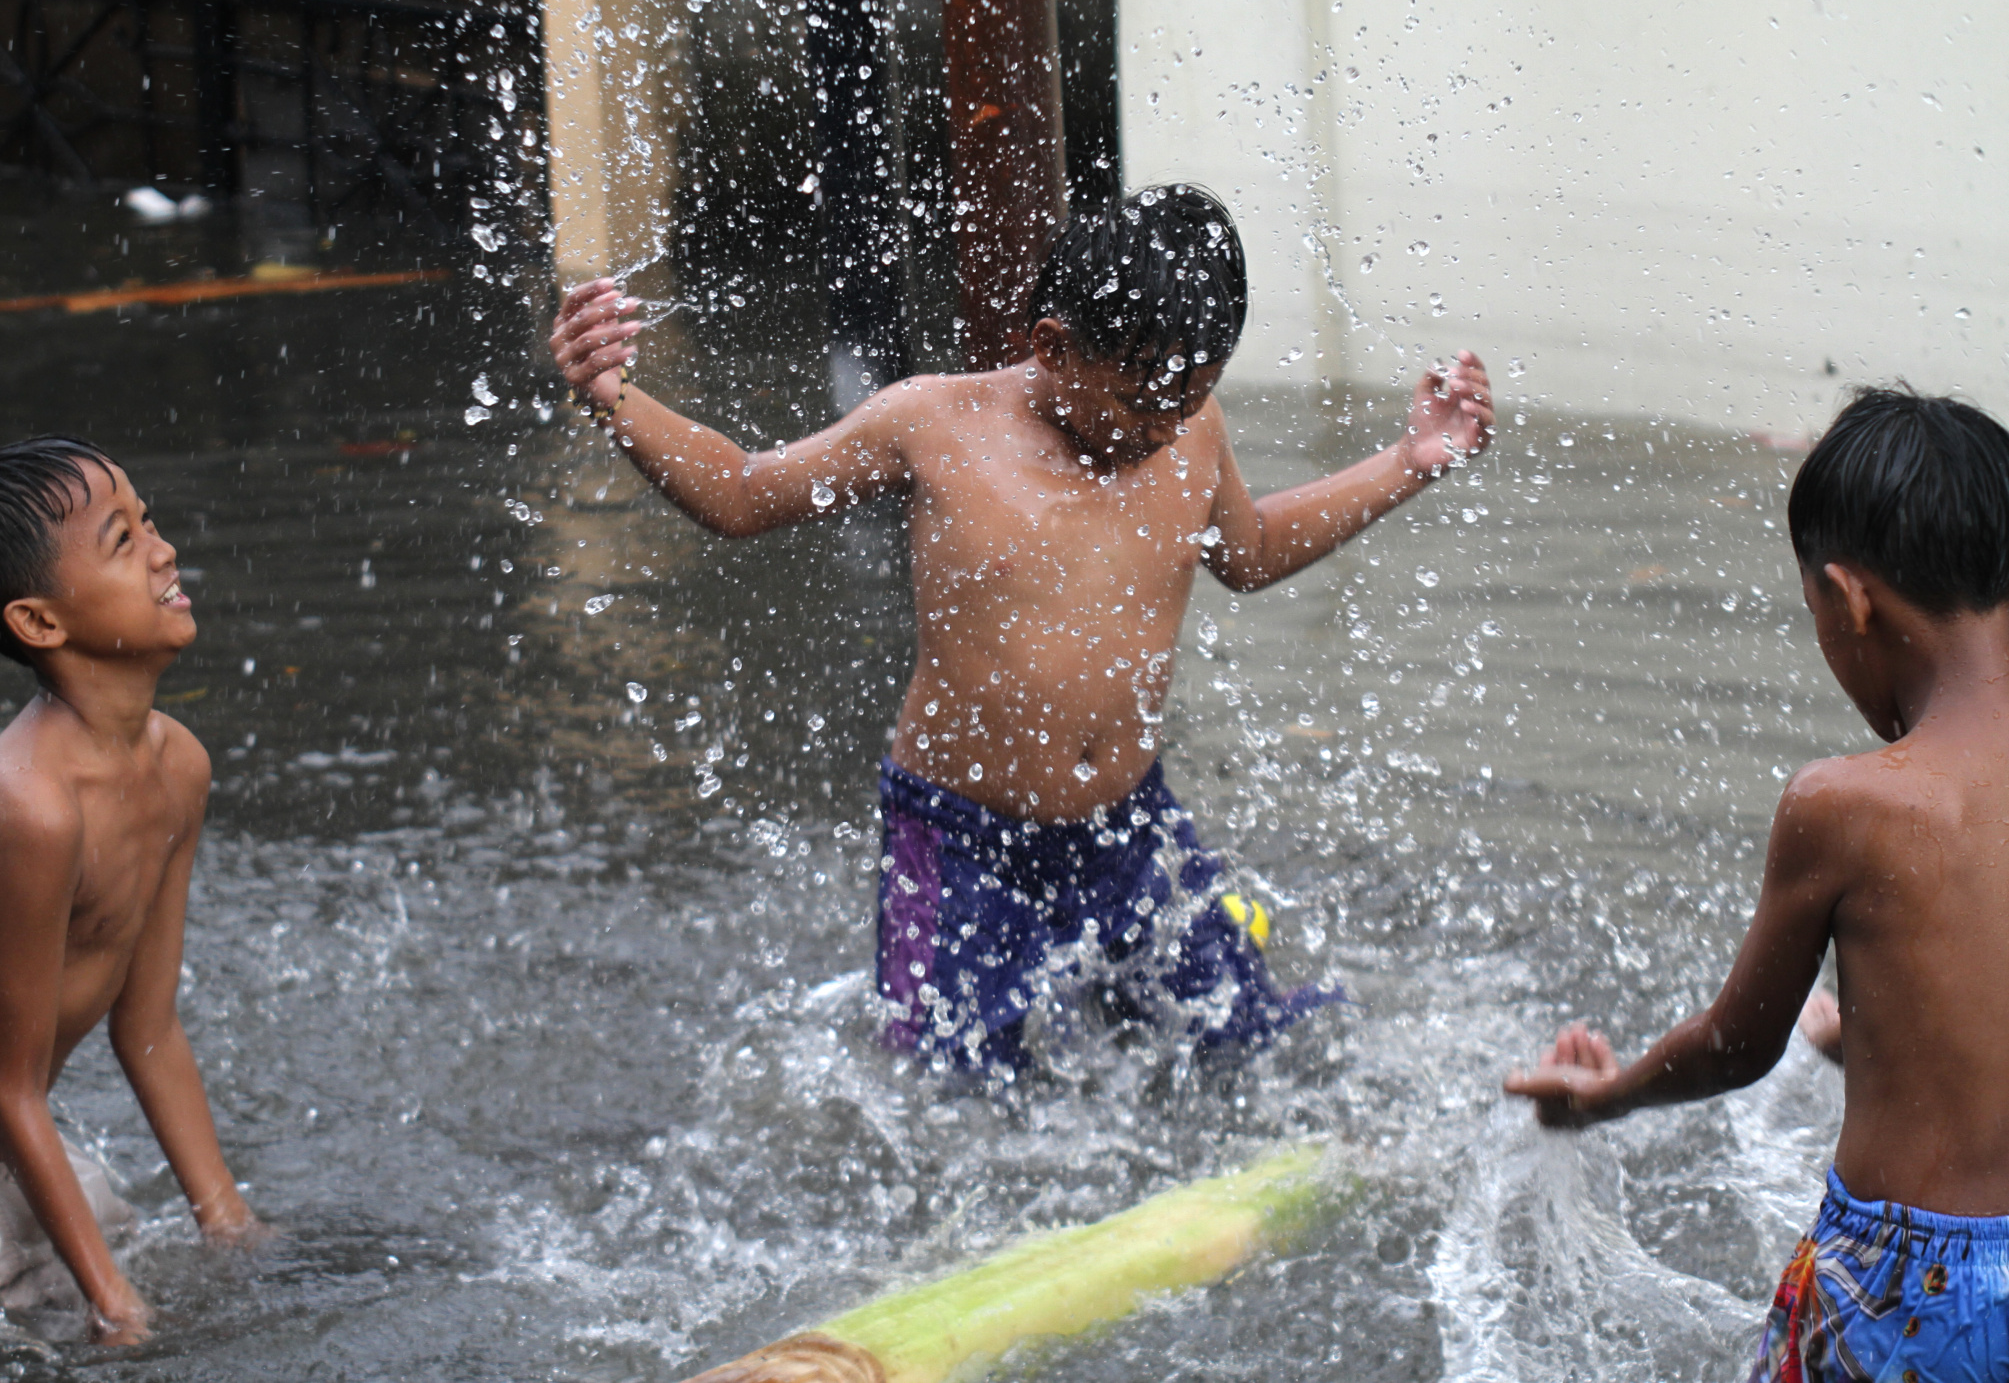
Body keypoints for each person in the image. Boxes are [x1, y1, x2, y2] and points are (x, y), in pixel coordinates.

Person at [551, 185, 1496, 1073]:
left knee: (1243, 1041)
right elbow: (744, 493)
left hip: (1130, 825)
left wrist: (1411, 460)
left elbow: (1245, 553)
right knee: (946, 1087)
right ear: (1052, 345)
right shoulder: (936, 425)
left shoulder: (1188, 426)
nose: (1160, 429)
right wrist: (612, 396)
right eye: (1138, 401)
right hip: (964, 838)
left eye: (1187, 400)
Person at [1504, 387, 2009, 1381]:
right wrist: (1873, 1034)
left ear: (1847, 598)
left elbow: (1734, 1045)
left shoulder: (1846, 803)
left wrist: (1603, 1095)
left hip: (1902, 1294)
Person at [0, 437, 264, 1341]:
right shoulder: (31, 808)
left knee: (124, 1239)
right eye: (122, 540)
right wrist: (115, 1304)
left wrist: (228, 1219)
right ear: (38, 622)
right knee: (70, 1311)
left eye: (149, 520)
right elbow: (7, 1085)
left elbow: (147, 1026)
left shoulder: (179, 765)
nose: (164, 550)